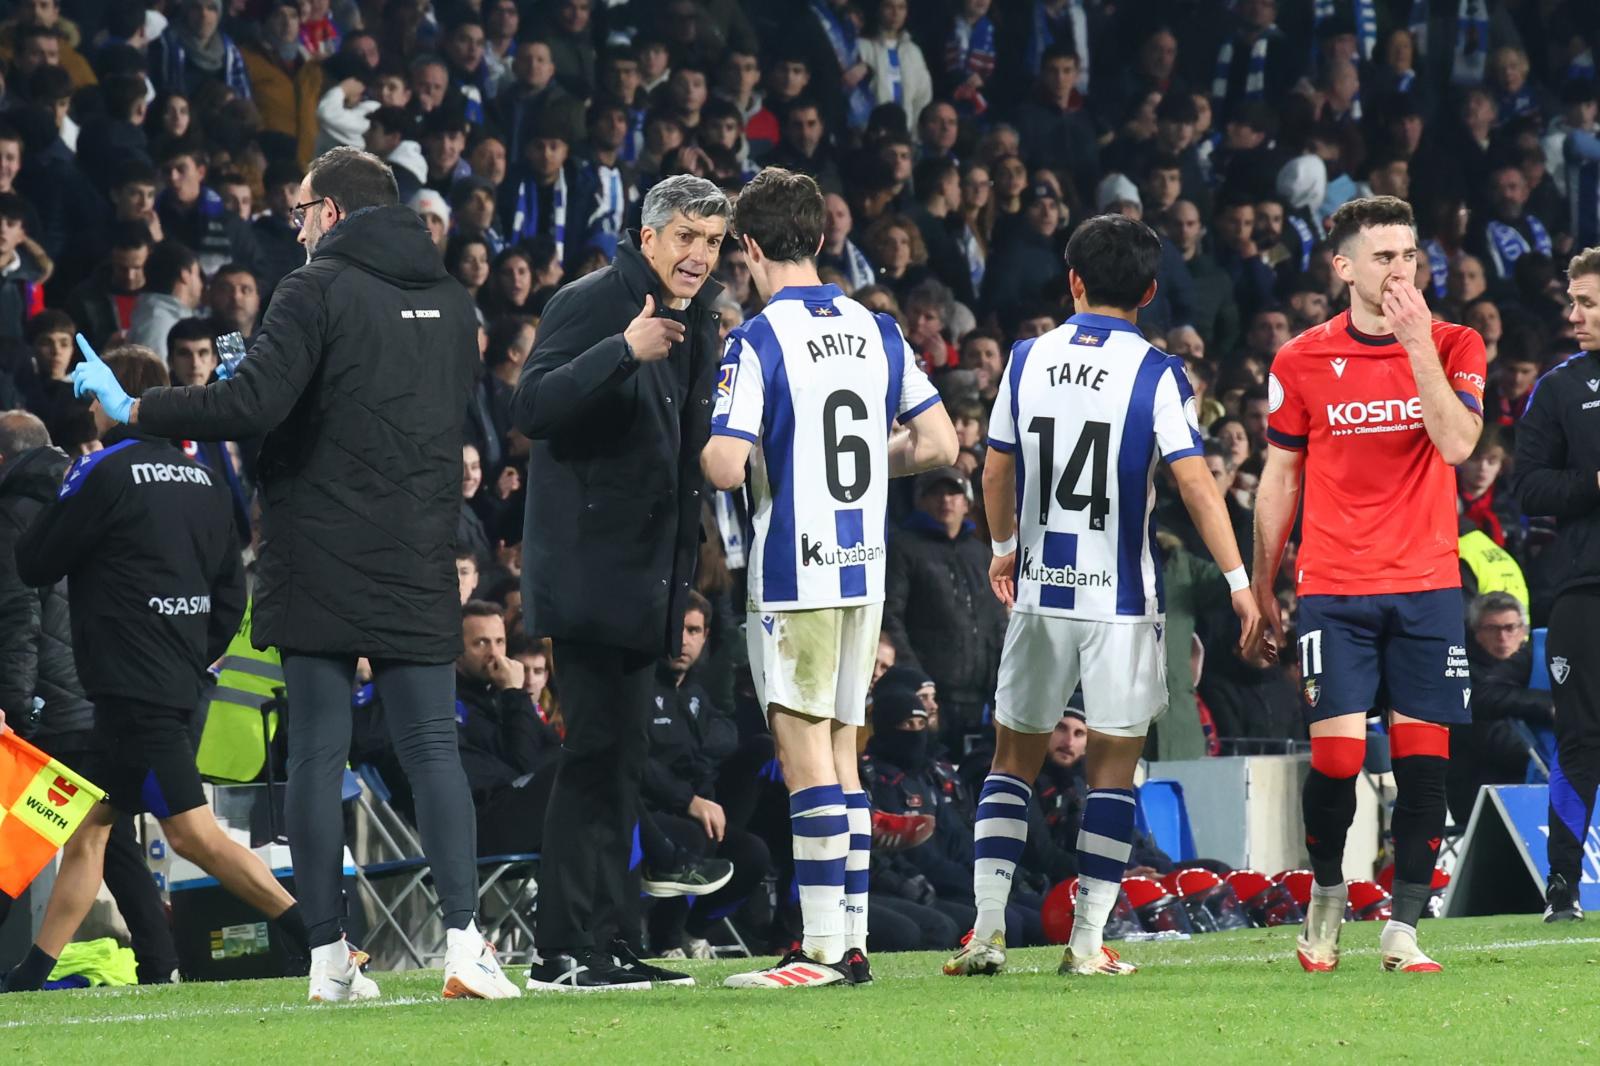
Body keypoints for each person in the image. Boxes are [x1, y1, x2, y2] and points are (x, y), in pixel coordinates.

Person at [69, 147, 519, 1003]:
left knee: (317, 751)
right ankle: (466, 945)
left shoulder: (313, 290)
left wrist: (136, 407)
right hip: (418, 550)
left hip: (316, 552)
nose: (299, 223)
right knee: (432, 748)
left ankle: (327, 959)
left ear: (336, 213)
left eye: (304, 209)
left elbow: (248, 411)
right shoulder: (455, 303)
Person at [944, 214, 1258, 980]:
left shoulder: (1027, 357)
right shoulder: (1157, 372)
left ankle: (985, 933)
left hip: (1042, 592)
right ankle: (1086, 943)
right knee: (1113, 774)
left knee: (1010, 762)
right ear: (1150, 292)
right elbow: (1191, 480)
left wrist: (1003, 551)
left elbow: (993, 470)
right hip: (1119, 603)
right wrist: (1243, 585)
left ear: (1073, 280)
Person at [702, 166, 956, 988]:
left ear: (747, 247)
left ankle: (819, 949)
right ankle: (846, 938)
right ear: (818, 238)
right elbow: (942, 444)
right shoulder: (876, 328)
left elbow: (723, 462)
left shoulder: (758, 339)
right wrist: (872, 465)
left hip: (794, 572)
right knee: (844, 758)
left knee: (805, 754)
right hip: (863, 569)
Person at [3, 346, 294, 995]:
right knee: (90, 830)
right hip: (173, 682)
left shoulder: (103, 472)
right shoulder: (205, 480)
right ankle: (31, 976)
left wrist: (67, 485)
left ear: (108, 402)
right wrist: (188, 654)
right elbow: (230, 594)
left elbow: (34, 564)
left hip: (132, 688)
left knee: (192, 835)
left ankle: (323, 937)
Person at [1253, 197, 1486, 973]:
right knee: (1339, 761)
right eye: (1382, 256)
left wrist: (1418, 344)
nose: (1400, 270)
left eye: (1409, 255)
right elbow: (1280, 478)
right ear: (1344, 267)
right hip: (1335, 588)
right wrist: (1260, 585)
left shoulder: (1456, 344)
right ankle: (1327, 893)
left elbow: (1456, 443)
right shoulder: (1300, 360)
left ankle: (1404, 924)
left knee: (1425, 765)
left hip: (1425, 586)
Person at [512, 173, 732, 992]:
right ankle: (561, 950)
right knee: (594, 753)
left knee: (624, 762)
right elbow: (529, 405)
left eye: (711, 243)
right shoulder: (596, 302)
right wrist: (621, 352)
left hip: (653, 578)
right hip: (589, 571)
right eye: (685, 238)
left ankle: (606, 939)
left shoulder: (702, 319)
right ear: (648, 239)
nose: (697, 255)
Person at [0, 409, 180, 985]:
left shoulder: (10, 516)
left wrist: (17, 704)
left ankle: (41, 973)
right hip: (98, 695)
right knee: (113, 843)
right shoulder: (89, 495)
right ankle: (161, 963)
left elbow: (19, 616)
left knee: (19, 841)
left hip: (47, 708)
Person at [1511, 246, 1600, 923]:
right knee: (1580, 737)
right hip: (1584, 590)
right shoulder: (1561, 387)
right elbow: (1528, 485)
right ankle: (1563, 886)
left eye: (1588, 303)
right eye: (1574, 302)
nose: (1574, 316)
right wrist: (1591, 484)